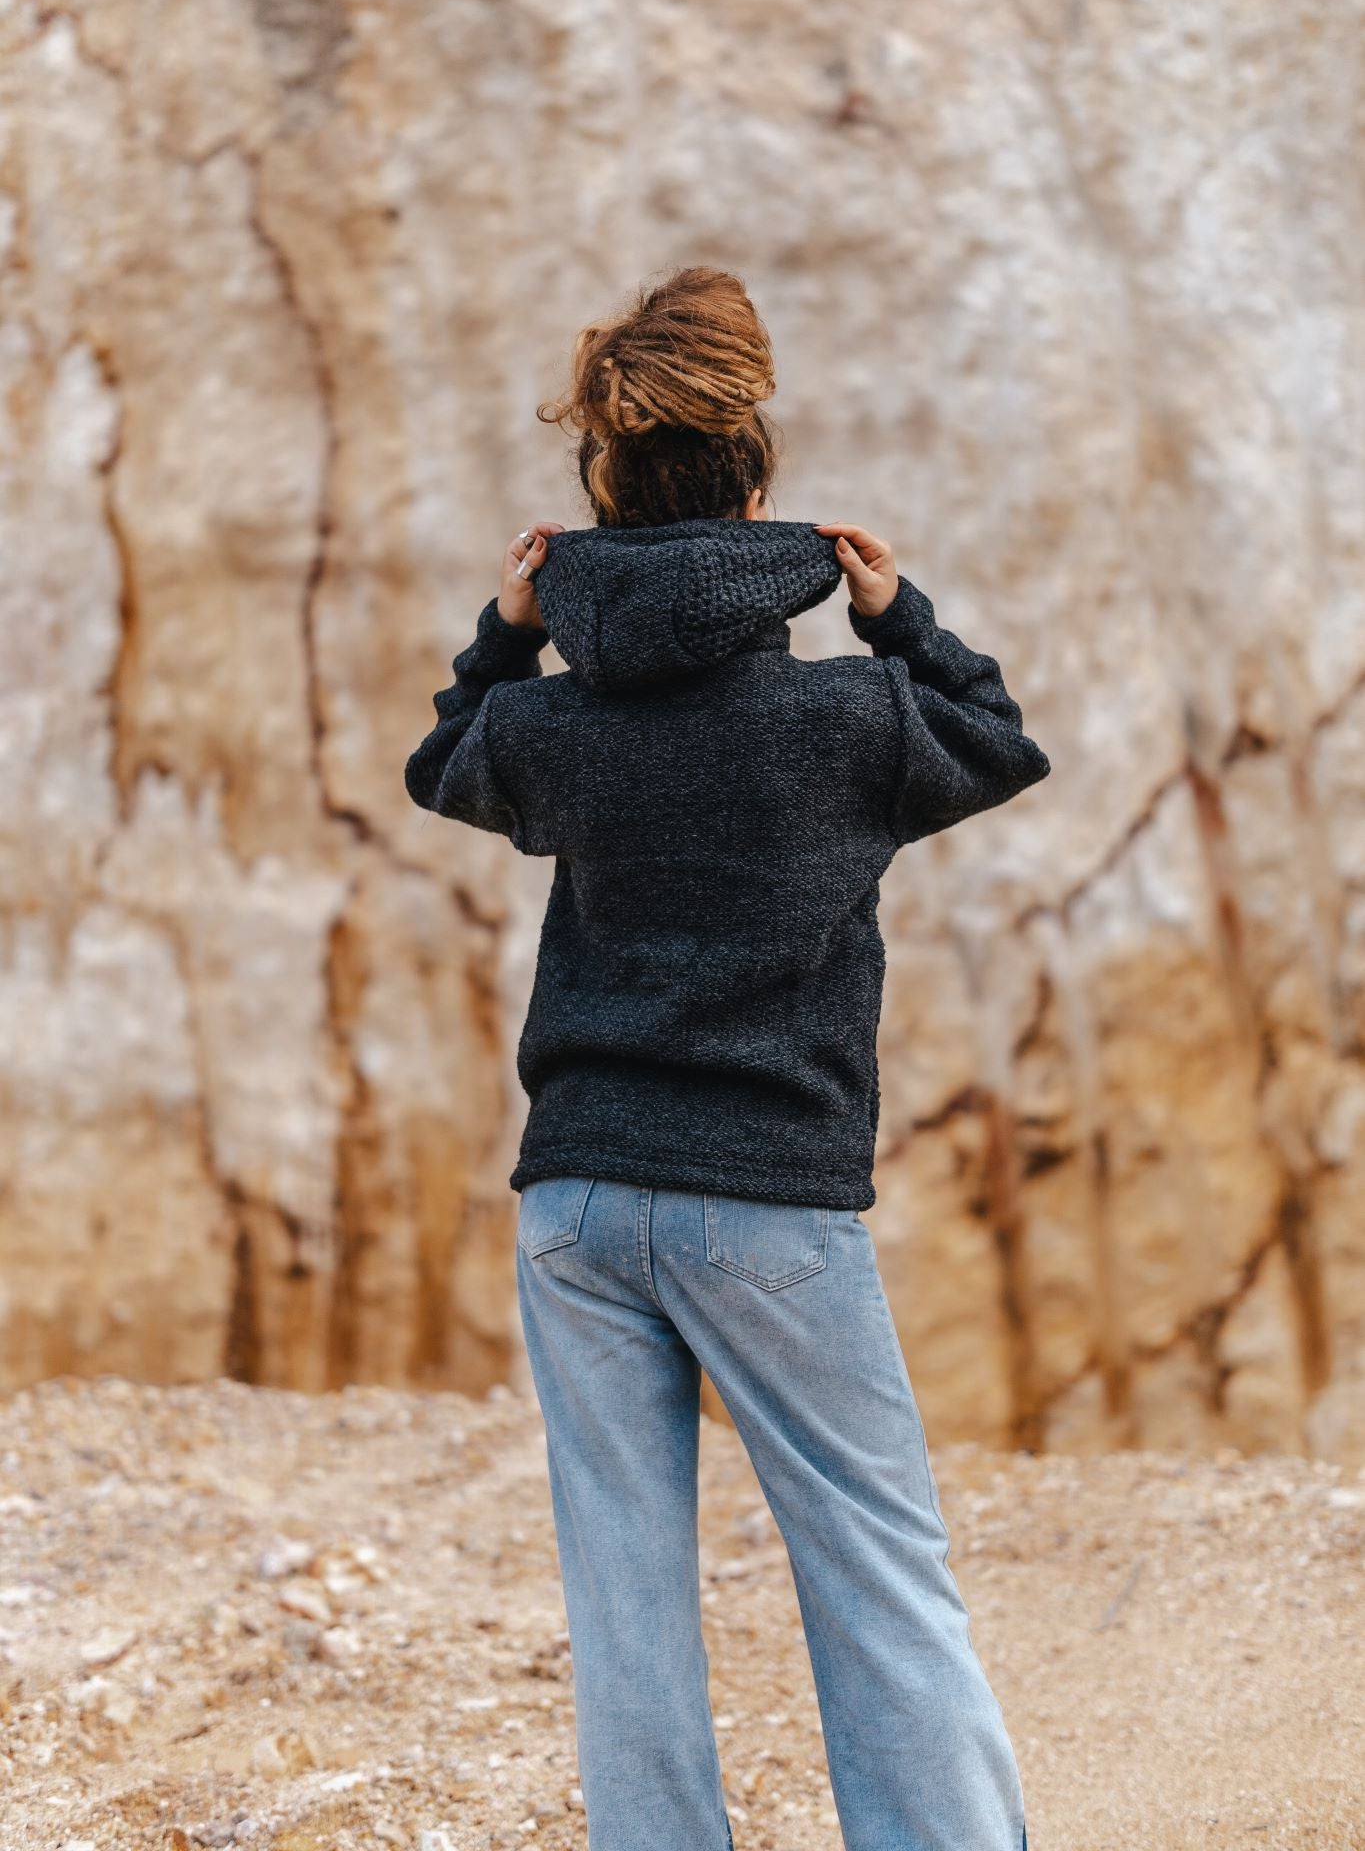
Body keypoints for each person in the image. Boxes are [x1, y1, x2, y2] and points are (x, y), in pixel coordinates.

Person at [405, 267, 1049, 1851]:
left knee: (623, 1592)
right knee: (873, 1570)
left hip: (574, 1202)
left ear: (598, 499)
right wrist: (901, 619)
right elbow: (997, 740)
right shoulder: (854, 721)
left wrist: (505, 636)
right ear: (757, 490)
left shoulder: (547, 729)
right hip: (763, 1200)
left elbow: (443, 761)